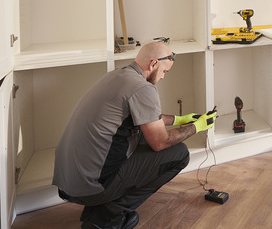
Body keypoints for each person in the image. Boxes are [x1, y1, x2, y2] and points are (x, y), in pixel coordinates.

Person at [53, 41, 217, 229]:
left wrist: (180, 119)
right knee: (179, 153)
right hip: (89, 187)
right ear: (154, 64)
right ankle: (106, 217)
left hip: (68, 181)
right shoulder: (143, 88)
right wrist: (198, 127)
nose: (163, 77)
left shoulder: (119, 75)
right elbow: (160, 142)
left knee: (139, 132)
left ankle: (99, 208)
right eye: (165, 72)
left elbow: (143, 117)